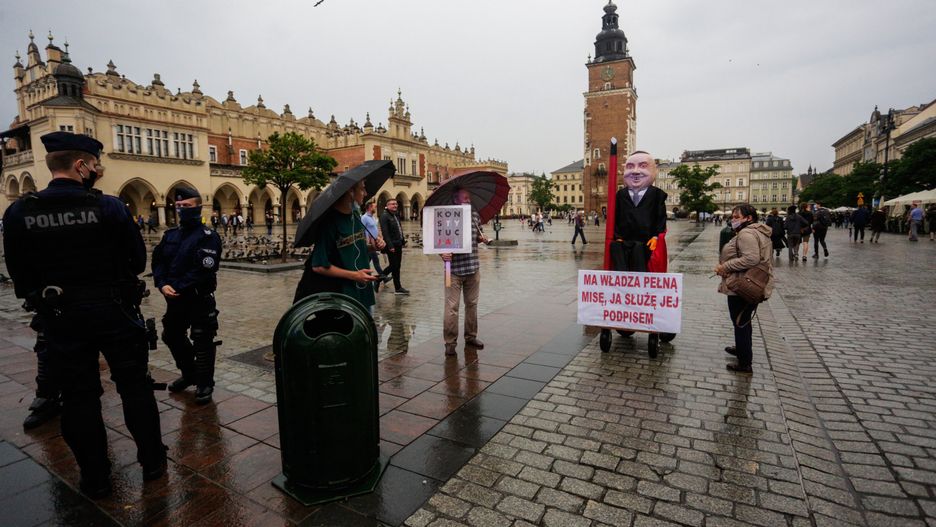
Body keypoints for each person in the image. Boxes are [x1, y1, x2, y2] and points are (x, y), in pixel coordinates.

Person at [2, 131, 165, 498]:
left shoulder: (20, 212)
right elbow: (137, 261)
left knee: (78, 396)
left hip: (60, 317)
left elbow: (19, 273)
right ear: (80, 166)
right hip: (114, 312)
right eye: (94, 165)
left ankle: (95, 476)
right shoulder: (108, 207)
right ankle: (153, 461)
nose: (96, 170)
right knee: (134, 387)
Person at [152, 187, 223, 405]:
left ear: (198, 207)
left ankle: (204, 383)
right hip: (174, 299)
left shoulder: (208, 237)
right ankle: (189, 373)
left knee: (202, 339)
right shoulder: (170, 235)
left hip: (198, 297)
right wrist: (162, 284)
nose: (182, 210)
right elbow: (159, 262)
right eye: (179, 206)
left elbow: (204, 269)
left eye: (187, 206)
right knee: (171, 335)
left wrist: (178, 287)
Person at [294, 180, 379, 310]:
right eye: (362, 189)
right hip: (343, 297)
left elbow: (353, 247)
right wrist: (355, 276)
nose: (366, 193)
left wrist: (373, 247)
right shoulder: (329, 223)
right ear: (350, 191)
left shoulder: (355, 215)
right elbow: (319, 266)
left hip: (362, 292)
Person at [714, 203, 774, 374]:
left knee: (740, 321)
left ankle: (744, 362)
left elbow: (751, 259)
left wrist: (725, 266)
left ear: (749, 218)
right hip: (752, 282)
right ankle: (741, 348)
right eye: (732, 217)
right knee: (743, 320)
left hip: (742, 284)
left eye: (736, 217)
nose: (733, 220)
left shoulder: (746, 234)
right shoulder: (756, 231)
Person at [440, 188, 490, 355]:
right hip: (450, 269)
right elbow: (436, 239)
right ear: (455, 199)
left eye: (469, 198)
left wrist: (481, 238)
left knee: (472, 304)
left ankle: (471, 336)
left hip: (472, 267)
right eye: (465, 198)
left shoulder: (475, 215)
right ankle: (450, 343)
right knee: (451, 306)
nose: (468, 200)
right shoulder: (446, 215)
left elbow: (476, 235)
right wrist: (442, 253)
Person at [611, 151, 667, 273]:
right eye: (630, 167)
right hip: (624, 239)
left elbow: (660, 217)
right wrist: (617, 236)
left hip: (645, 241)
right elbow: (615, 217)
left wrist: (656, 237)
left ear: (654, 171)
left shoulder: (657, 195)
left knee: (638, 250)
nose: (635, 171)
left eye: (642, 166)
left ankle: (640, 282)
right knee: (615, 247)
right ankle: (620, 280)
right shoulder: (620, 195)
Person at [380, 199, 409, 295]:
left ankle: (397, 287)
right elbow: (385, 232)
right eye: (392, 204)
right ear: (387, 205)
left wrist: (403, 240)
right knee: (394, 266)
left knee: (397, 266)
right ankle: (379, 279)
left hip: (398, 244)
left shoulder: (395, 215)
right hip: (391, 245)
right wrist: (390, 245)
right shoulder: (384, 216)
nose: (395, 205)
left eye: (396, 204)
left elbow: (399, 228)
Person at [361, 200, 391, 292]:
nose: (376, 208)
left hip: (375, 243)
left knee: (367, 261)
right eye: (374, 206)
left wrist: (380, 237)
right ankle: (382, 277)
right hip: (369, 244)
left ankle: (367, 277)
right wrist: (366, 241)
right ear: (369, 207)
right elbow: (362, 230)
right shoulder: (364, 218)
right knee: (375, 260)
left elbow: (376, 229)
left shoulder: (373, 218)